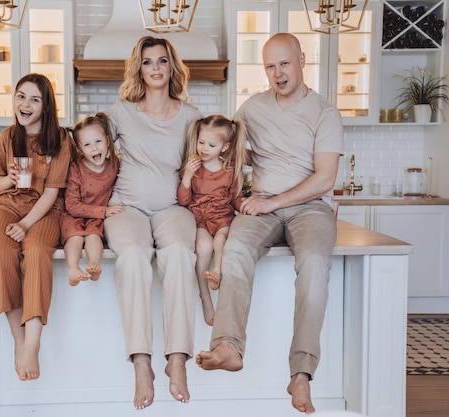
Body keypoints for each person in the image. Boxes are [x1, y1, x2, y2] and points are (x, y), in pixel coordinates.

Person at [195, 32, 344, 415]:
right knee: (236, 249)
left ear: (301, 60)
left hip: (310, 208)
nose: (278, 73)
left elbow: (325, 178)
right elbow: (229, 157)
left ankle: (301, 373)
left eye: (284, 63)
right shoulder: (251, 109)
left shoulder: (325, 112)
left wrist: (271, 202)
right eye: (270, 66)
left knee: (313, 263)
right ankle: (228, 345)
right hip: (261, 207)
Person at [104, 35, 203, 410]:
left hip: (173, 208)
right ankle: (141, 362)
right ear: (139, 69)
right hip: (125, 207)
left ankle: (177, 358)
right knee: (133, 256)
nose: (156, 68)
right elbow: (90, 154)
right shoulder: (121, 112)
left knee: (179, 254)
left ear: (172, 67)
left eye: (162, 61)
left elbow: (208, 163)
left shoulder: (191, 116)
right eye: (148, 62)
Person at [0, 73, 72, 381]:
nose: (25, 104)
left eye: (34, 98)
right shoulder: (7, 137)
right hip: (8, 205)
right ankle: (18, 340)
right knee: (0, 253)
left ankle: (33, 344)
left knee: (34, 254)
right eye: (21, 96)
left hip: (43, 212)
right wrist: (12, 180)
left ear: (46, 106)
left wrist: (26, 224)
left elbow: (52, 192)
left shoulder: (60, 140)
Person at [177, 114, 248, 326]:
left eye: (211, 145)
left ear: (224, 147)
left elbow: (235, 198)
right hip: (199, 219)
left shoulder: (230, 170)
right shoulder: (193, 168)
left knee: (221, 240)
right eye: (201, 142)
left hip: (222, 219)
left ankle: (216, 270)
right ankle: (205, 296)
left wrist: (246, 206)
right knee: (204, 247)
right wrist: (187, 177)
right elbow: (183, 200)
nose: (204, 149)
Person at [60, 112, 122, 287]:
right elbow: (71, 205)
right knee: (75, 237)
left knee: (94, 236)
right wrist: (104, 211)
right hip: (75, 215)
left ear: (108, 141)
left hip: (97, 218)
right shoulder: (76, 169)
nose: (94, 148)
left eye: (98, 141)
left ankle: (94, 265)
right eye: (87, 144)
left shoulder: (115, 165)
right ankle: (72, 269)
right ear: (80, 149)